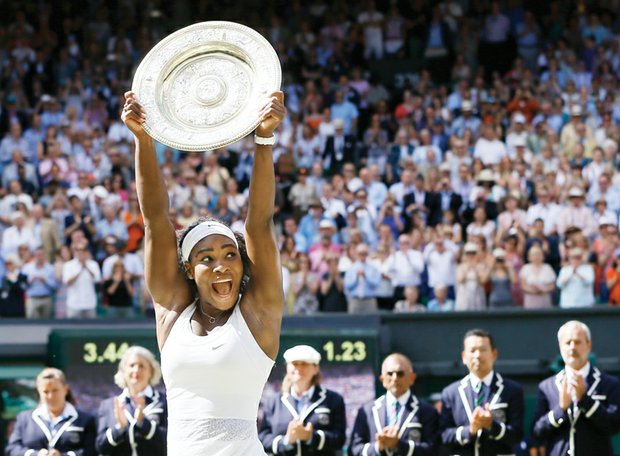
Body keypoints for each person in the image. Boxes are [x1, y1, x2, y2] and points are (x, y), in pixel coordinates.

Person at [121, 90, 286, 455]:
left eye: (230, 254)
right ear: (188, 268)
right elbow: (155, 222)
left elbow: (258, 224)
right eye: (207, 258)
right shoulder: (172, 314)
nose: (221, 265)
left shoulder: (258, 313)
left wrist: (264, 139)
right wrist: (143, 139)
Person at [532, 321, 620, 456]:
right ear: (560, 347)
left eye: (578, 342)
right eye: (568, 343)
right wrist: (560, 409)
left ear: (589, 345)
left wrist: (585, 400)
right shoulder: (546, 386)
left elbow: (614, 425)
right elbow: (537, 431)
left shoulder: (609, 383)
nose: (572, 348)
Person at [439, 329, 524, 455]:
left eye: (483, 349)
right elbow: (443, 436)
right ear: (463, 357)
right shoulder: (450, 393)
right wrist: (470, 430)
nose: (477, 355)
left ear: (494, 354)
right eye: (472, 350)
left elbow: (517, 435)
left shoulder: (512, 390)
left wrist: (491, 426)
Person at [258, 345, 346, 455]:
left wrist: (311, 437)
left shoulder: (334, 399)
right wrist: (287, 440)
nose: (298, 368)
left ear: (316, 368)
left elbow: (339, 438)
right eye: (294, 364)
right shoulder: (273, 402)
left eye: (304, 363)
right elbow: (263, 438)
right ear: (287, 367)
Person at [350, 352, 439, 455]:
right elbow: (354, 449)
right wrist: (378, 447)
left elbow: (433, 449)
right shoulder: (367, 410)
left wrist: (399, 445)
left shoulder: (427, 411)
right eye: (390, 373)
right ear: (382, 379)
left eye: (400, 373)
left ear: (412, 378)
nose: (395, 378)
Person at [6, 367, 96, 456]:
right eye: (45, 392)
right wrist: (35, 454)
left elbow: (91, 451)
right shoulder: (24, 419)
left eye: (55, 390)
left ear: (65, 389)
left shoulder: (85, 420)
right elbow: (12, 449)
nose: (50, 396)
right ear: (39, 391)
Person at [96, 346, 167, 455]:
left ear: (151, 371)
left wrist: (143, 423)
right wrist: (120, 428)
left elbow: (169, 441)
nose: (136, 370)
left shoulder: (164, 402)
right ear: (123, 371)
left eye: (142, 366)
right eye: (132, 365)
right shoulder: (109, 405)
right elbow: (101, 447)